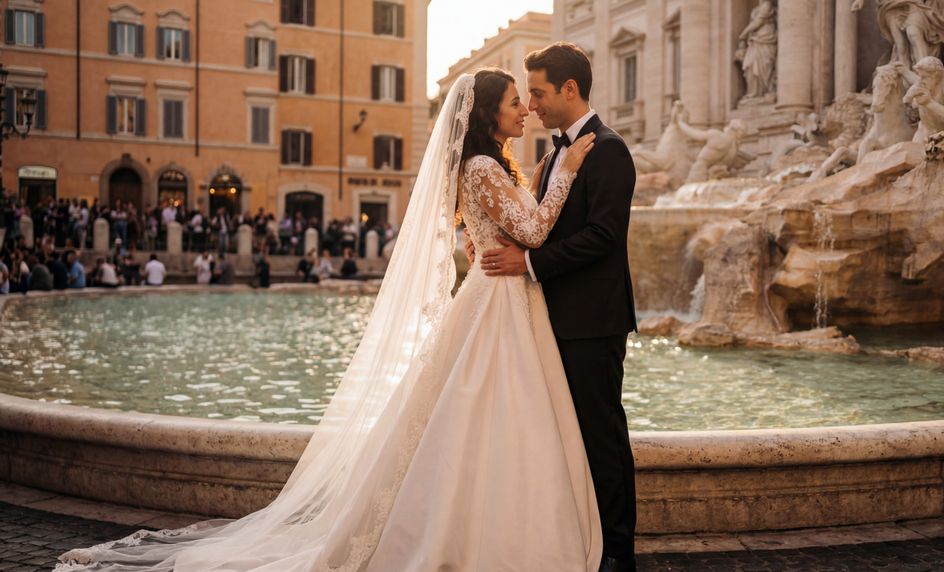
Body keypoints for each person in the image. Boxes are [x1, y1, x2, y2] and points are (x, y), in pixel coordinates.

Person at [57, 67, 602, 571]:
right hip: (497, 300)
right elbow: (533, 231)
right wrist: (566, 175)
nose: (524, 110)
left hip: (499, 294)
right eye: (514, 102)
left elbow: (500, 228)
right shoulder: (482, 166)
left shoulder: (488, 165)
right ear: (488, 112)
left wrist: (532, 187)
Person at [479, 43, 639, 571]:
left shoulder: (610, 150)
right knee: (565, 439)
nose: (532, 104)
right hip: (551, 321)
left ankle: (617, 552)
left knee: (601, 435)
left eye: (538, 92)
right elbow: (539, 225)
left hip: (592, 323)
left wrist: (527, 263)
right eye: (525, 95)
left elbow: (604, 236)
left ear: (569, 89)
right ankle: (579, 540)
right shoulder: (554, 156)